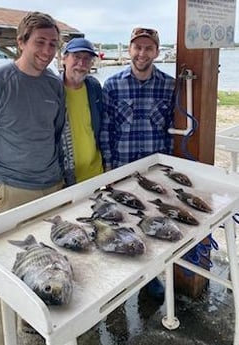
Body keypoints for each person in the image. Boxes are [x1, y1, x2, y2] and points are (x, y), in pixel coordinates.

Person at [0, 11, 65, 345]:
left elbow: (56, 138)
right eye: (40, 42)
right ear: (20, 42)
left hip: (53, 190)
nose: (47, 50)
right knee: (3, 276)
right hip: (11, 192)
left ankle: (35, 329)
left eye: (53, 43)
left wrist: (68, 186)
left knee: (50, 267)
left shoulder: (55, 84)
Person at [100, 27, 176, 299]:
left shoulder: (169, 85)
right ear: (130, 49)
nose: (142, 53)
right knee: (122, 221)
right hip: (123, 168)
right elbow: (106, 128)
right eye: (137, 47)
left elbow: (172, 128)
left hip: (154, 171)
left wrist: (170, 169)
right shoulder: (112, 84)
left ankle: (151, 277)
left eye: (148, 48)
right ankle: (120, 276)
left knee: (154, 221)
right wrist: (108, 166)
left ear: (157, 51)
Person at [61, 37, 104, 185]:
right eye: (76, 57)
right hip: (65, 178)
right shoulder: (52, 90)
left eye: (87, 59)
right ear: (64, 59)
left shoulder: (94, 87)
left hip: (96, 172)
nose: (81, 63)